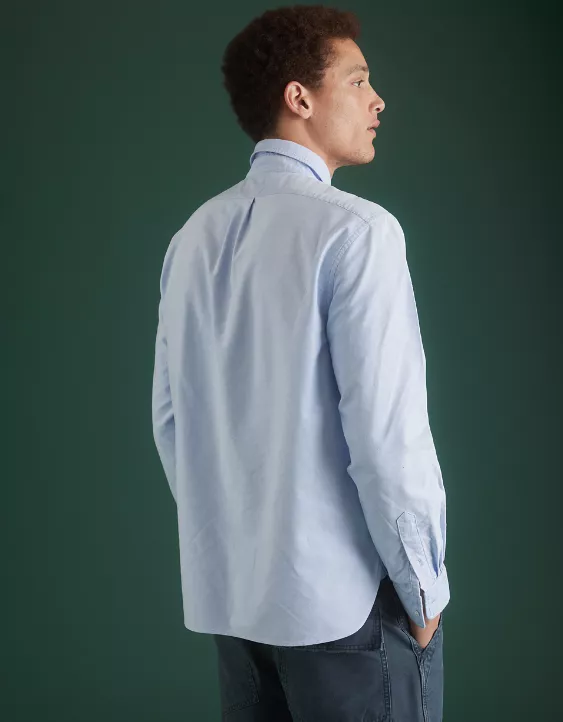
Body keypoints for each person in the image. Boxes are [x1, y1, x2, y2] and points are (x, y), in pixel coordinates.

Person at [151, 4, 450, 720]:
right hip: (349, 610)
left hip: (237, 604)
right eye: (358, 80)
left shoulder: (192, 237)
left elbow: (170, 421)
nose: (377, 100)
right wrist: (423, 589)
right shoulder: (360, 232)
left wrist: (236, 543)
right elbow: (386, 437)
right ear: (300, 97)